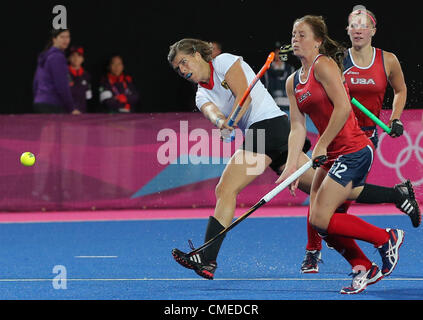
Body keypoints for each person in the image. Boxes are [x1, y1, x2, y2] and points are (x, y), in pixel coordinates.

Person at [277, 15, 405, 294]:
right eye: (293, 35)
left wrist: (321, 144)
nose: (295, 40)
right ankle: (364, 266)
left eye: (302, 35)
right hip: (332, 154)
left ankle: (386, 237)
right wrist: (290, 167)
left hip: (354, 149)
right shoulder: (292, 82)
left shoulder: (324, 66)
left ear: (318, 41)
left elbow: (343, 108)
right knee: (321, 223)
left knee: (321, 217)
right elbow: (297, 127)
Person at [168, 38, 315, 280]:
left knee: (225, 189)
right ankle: (396, 196)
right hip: (271, 132)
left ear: (196, 54)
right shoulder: (201, 94)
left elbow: (243, 100)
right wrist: (221, 123)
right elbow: (212, 112)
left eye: (183, 62)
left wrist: (232, 121)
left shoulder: (224, 62)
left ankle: (207, 259)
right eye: (177, 68)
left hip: (266, 126)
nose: (182, 70)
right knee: (326, 189)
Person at [300, 7, 419, 274]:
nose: (357, 29)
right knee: (327, 201)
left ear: (373, 31)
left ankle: (358, 253)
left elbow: (400, 90)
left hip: (365, 136)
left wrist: (395, 119)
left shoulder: (387, 60)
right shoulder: (337, 60)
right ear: (347, 30)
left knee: (331, 205)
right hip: (338, 135)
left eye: (363, 25)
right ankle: (317, 250)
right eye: (353, 25)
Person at [33, 28, 77, 113]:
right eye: (62, 37)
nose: (66, 40)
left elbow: (35, 82)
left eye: (68, 37)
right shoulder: (57, 57)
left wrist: (39, 98)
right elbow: (62, 85)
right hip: (52, 105)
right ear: (54, 39)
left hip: (40, 103)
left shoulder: (46, 56)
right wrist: (71, 108)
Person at [262, 41, 295, 110]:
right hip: (273, 105)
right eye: (276, 53)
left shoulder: (290, 69)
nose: (279, 55)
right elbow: (264, 88)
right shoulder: (267, 70)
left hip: (288, 105)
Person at [68, 46, 92, 114]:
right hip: (67, 113)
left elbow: (88, 97)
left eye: (79, 56)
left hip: (82, 113)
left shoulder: (87, 75)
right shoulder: (63, 73)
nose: (76, 58)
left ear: (82, 59)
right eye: (73, 56)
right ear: (69, 58)